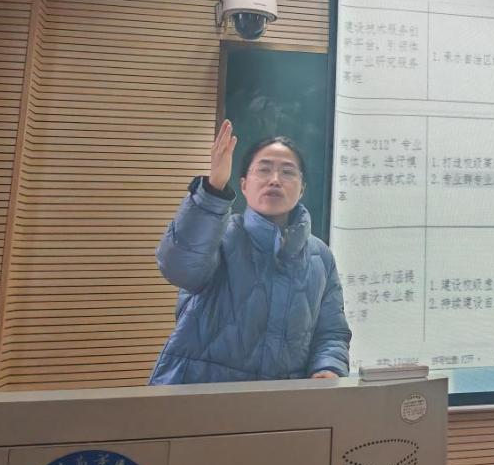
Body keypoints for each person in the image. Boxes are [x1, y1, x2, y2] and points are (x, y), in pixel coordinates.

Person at [149, 120, 351, 384]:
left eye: (288, 172)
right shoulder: (218, 235)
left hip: (282, 401)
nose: (275, 180)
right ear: (244, 185)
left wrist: (328, 367)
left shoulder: (320, 256)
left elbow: (331, 333)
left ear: (302, 189)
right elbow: (178, 268)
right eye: (264, 170)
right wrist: (212, 191)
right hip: (199, 394)